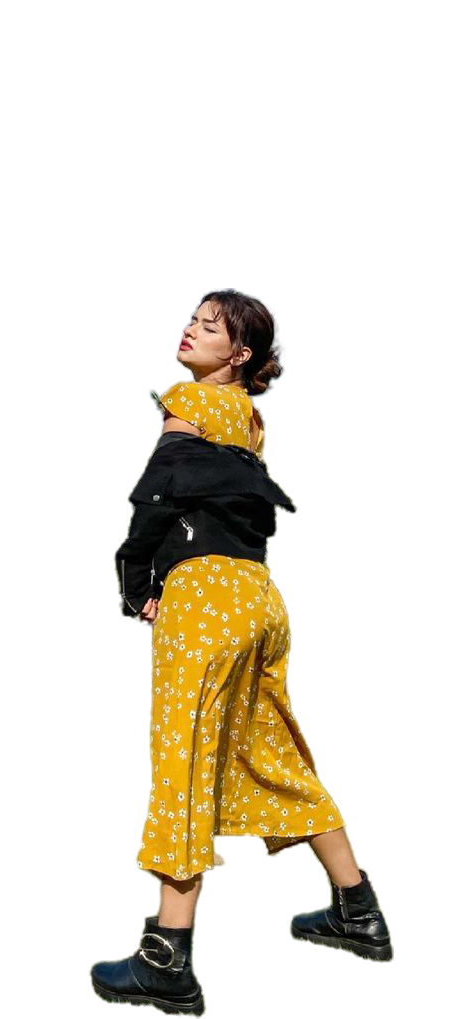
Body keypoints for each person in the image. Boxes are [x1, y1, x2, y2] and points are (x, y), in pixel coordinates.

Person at [90, 289, 392, 1017]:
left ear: (240, 353)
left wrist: (136, 578)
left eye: (209, 326)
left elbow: (159, 494)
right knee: (273, 752)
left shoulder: (189, 401)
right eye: (191, 320)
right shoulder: (249, 419)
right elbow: (230, 509)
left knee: (184, 761)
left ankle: (166, 960)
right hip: (259, 596)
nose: (189, 331)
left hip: (205, 601)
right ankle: (358, 911)